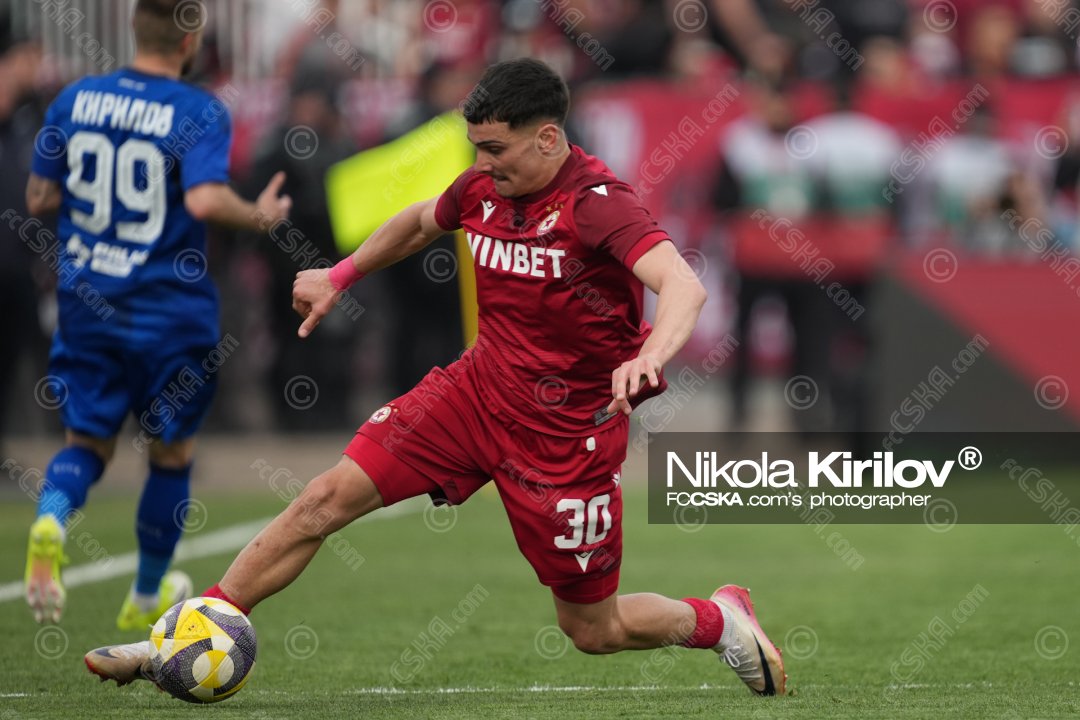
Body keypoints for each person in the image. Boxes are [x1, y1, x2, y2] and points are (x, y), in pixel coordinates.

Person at [84, 58, 787, 696]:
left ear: (548, 139)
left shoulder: (598, 202)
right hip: (473, 395)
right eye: (476, 146)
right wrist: (339, 275)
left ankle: (721, 621)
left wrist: (649, 356)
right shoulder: (482, 186)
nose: (481, 163)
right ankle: (182, 640)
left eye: (495, 148)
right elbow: (421, 222)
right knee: (324, 498)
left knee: (592, 630)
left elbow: (683, 284)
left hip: (565, 436)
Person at [24, 0, 291, 628]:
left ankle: (51, 520)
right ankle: (147, 592)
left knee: (87, 442)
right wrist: (260, 215)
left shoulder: (74, 99)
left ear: (135, 28)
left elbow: (38, 196)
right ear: (189, 41)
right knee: (170, 452)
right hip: (170, 310)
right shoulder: (199, 110)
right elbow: (204, 199)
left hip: (88, 302)